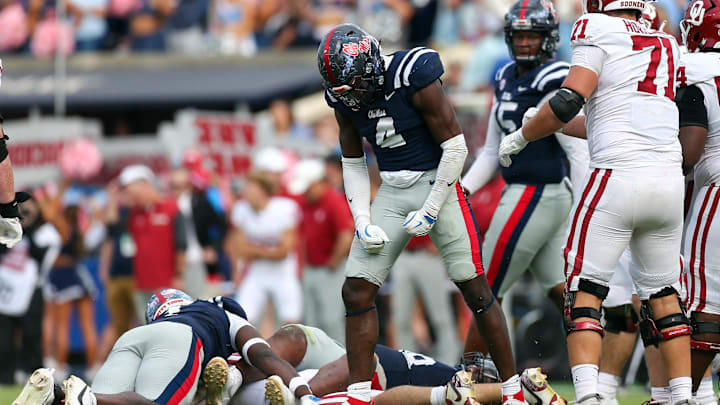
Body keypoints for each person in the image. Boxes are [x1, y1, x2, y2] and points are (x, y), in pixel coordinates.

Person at [497, 0, 691, 402]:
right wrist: (545, 120)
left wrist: (522, 135)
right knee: (664, 296)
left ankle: (588, 396)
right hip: (668, 181)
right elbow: (609, 120)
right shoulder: (666, 43)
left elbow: (569, 99)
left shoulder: (595, 28)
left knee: (584, 290)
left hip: (617, 177)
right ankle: (685, 394)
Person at [318, 24, 523, 404]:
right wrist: (362, 218)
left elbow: (457, 148)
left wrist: (431, 210)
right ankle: (359, 394)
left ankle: (513, 391)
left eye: (357, 87)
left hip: (437, 183)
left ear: (372, 64)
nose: (354, 99)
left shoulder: (414, 72)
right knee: (357, 289)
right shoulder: (344, 98)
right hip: (392, 191)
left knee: (474, 288)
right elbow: (352, 160)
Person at [461, 0, 589, 354]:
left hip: (538, 193)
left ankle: (472, 371)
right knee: (561, 292)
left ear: (547, 38)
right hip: (523, 192)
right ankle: (599, 365)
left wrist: (583, 212)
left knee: (485, 289)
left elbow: (576, 152)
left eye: (531, 35)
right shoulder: (503, 76)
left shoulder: (554, 77)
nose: (523, 43)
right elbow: (491, 150)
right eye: (518, 36)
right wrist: (463, 189)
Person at [13, 288, 320, 405]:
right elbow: (264, 354)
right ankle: (86, 396)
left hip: (132, 338)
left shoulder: (150, 324)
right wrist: (303, 393)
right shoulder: (216, 311)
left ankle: (55, 396)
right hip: (180, 338)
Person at [675, 0, 720, 397]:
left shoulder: (694, 71)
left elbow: (689, 152)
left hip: (717, 189)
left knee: (705, 307)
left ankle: (681, 393)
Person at [289, 159, 354, 342]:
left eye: (308, 188)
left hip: (330, 269)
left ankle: (340, 362)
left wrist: (333, 262)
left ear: (318, 182)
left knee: (331, 319)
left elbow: (345, 235)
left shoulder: (333, 200)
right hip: (313, 268)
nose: (305, 193)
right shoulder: (307, 203)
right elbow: (302, 236)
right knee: (312, 321)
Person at [229, 171, 303, 327]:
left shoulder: (284, 208)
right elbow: (240, 249)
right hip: (256, 272)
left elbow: (284, 252)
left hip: (283, 272)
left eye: (250, 187)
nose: (245, 191)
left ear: (262, 191)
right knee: (241, 319)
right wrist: (268, 251)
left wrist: (254, 249)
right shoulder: (241, 209)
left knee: (292, 322)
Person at [119, 164, 188, 322]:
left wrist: (179, 275)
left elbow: (181, 245)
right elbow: (114, 228)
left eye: (132, 192)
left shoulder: (171, 208)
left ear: (145, 185)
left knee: (170, 325)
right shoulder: (135, 213)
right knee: (146, 327)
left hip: (166, 283)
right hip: (142, 282)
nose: (130, 198)